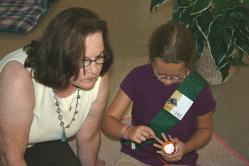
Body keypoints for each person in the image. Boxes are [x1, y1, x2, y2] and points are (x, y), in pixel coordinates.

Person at [0, 7, 113, 166]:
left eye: (99, 57)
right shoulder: (19, 77)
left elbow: (89, 136)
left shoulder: (98, 75)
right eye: (83, 60)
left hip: (35, 142)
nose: (94, 70)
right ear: (59, 56)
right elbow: (10, 157)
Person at [101, 21, 216, 166]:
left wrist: (186, 147)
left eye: (176, 76)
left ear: (189, 63)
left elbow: (205, 129)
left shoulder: (198, 88)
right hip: (137, 155)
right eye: (160, 74)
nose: (167, 81)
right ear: (151, 59)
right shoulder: (137, 76)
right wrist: (128, 131)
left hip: (180, 159)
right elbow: (107, 120)